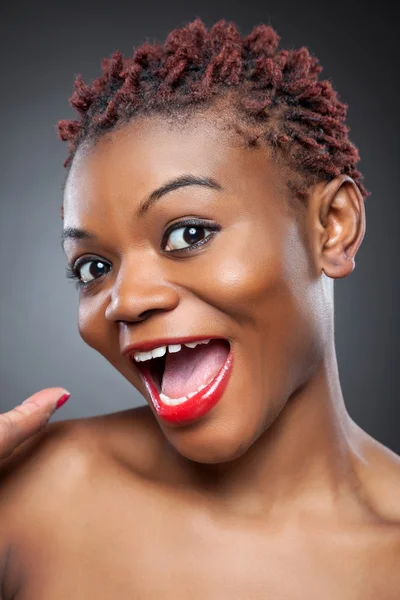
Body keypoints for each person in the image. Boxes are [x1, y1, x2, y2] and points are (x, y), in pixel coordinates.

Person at [0, 18, 399, 599]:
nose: (127, 301)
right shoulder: (35, 492)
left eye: (188, 234)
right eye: (93, 267)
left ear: (332, 227)